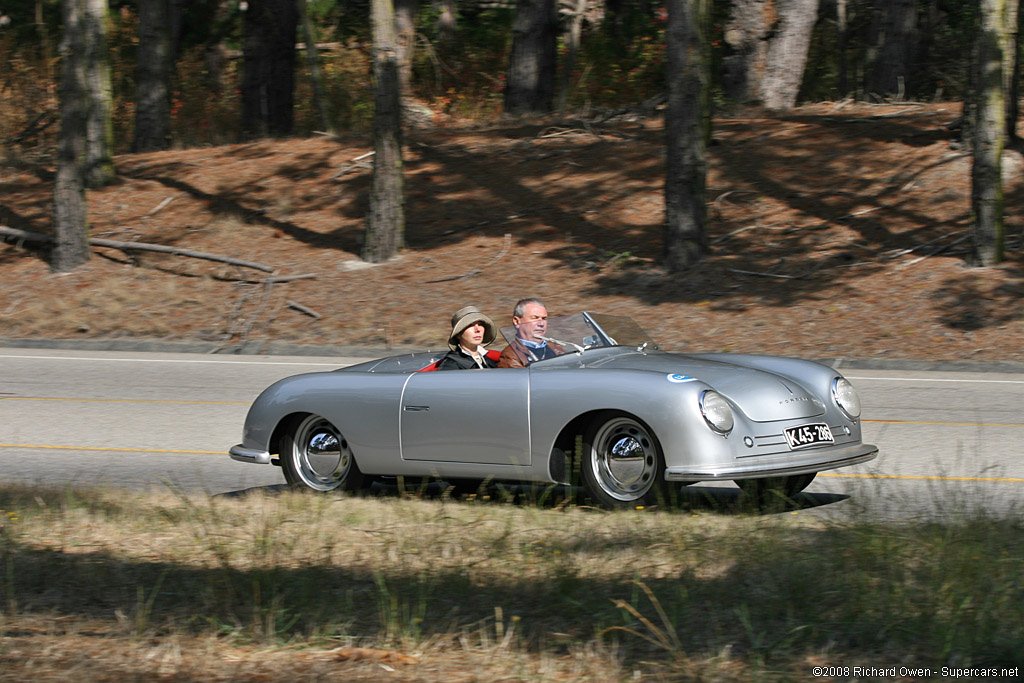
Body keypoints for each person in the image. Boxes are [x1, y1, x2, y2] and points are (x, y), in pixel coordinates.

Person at [497, 298, 563, 368]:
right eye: (535, 318)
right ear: (516, 321)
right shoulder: (511, 355)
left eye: (544, 318)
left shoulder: (556, 347)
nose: (541, 324)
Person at [436, 305, 499, 370]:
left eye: (480, 324)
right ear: (458, 334)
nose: (477, 329)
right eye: (470, 325)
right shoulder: (450, 366)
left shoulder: (487, 360)